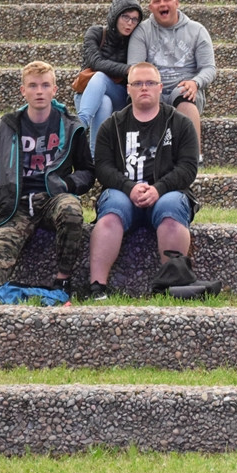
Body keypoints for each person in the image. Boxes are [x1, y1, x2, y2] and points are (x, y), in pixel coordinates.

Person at [0, 61, 94, 306]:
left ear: (55, 90)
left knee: (71, 209)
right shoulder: (7, 126)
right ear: (23, 91)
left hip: (53, 198)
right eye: (32, 86)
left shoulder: (72, 126)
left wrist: (67, 185)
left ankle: (62, 281)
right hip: (17, 201)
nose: (39, 91)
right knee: (4, 240)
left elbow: (87, 170)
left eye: (45, 85)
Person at [88, 63, 201, 300]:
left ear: (160, 88)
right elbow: (103, 167)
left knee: (171, 207)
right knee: (111, 211)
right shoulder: (112, 125)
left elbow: (188, 168)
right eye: (137, 83)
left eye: (150, 83)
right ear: (128, 89)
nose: (144, 88)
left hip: (166, 193)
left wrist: (159, 189)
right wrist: (129, 188)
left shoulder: (180, 124)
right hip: (123, 193)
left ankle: (174, 284)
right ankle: (97, 287)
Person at [128, 0, 216, 166]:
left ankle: (193, 158)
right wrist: (149, 85)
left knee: (184, 93)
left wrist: (195, 82)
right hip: (153, 85)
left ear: (177, 3)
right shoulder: (142, 32)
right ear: (150, 7)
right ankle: (146, 158)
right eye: (157, 1)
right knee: (144, 93)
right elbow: (135, 68)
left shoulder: (197, 30)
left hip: (184, 85)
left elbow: (209, 68)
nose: (162, 4)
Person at [76, 0, 144, 157]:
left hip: (118, 96)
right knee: (102, 96)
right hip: (88, 95)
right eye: (125, 17)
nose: (129, 23)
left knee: (101, 82)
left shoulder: (135, 41)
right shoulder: (96, 33)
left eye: (134, 20)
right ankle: (95, 158)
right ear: (115, 15)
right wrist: (128, 69)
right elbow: (96, 62)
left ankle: (77, 127)